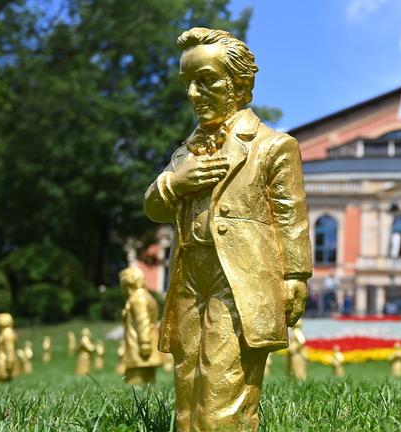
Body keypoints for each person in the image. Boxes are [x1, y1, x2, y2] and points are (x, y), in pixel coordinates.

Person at [144, 27, 311, 432]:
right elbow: (153, 207)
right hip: (189, 278)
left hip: (239, 280)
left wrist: (295, 276)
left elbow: (291, 216)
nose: (193, 95)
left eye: (206, 81)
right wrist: (174, 183)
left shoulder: (272, 146)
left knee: (224, 388)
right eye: (188, 83)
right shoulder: (185, 152)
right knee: (188, 385)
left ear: (239, 84)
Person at [119, 267, 163, 384]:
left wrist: (144, 345)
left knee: (135, 383)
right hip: (150, 343)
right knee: (149, 382)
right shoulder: (148, 297)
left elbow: (142, 322)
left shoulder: (137, 299)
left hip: (139, 349)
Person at [0, 313, 18, 383]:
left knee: (4, 379)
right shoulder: (4, 333)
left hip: (4, 361)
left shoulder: (7, 334)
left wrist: (10, 362)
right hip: (2, 360)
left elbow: (10, 349)